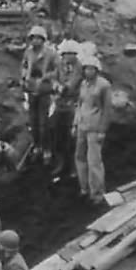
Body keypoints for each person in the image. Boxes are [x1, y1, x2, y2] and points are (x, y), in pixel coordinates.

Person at [74, 56, 112, 204]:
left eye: (91, 68)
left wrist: (102, 130)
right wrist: (75, 124)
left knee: (94, 161)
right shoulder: (84, 84)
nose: (88, 71)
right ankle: (84, 188)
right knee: (79, 157)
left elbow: (107, 109)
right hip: (82, 125)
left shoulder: (104, 86)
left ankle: (97, 193)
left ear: (97, 70)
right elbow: (80, 104)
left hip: (95, 127)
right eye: (86, 68)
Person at [21, 26, 57, 162]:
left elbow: (57, 71)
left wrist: (46, 77)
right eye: (33, 38)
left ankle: (47, 149)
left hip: (44, 90)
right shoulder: (28, 52)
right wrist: (24, 77)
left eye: (38, 38)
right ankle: (37, 146)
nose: (35, 41)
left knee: (44, 122)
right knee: (33, 121)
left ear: (43, 40)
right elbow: (24, 66)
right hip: (31, 90)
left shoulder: (51, 53)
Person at [49, 39, 83, 184]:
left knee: (72, 138)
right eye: (65, 54)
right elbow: (54, 79)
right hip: (60, 104)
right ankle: (59, 162)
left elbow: (72, 84)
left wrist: (62, 88)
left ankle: (74, 167)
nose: (67, 57)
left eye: (71, 54)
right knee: (57, 134)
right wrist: (56, 86)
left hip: (73, 106)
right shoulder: (60, 65)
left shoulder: (79, 67)